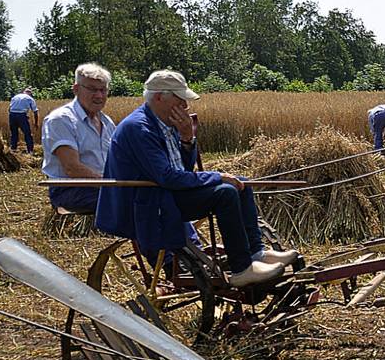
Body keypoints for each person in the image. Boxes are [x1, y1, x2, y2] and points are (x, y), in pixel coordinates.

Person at [96, 70, 298, 287]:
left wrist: (186, 138)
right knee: (226, 193)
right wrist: (217, 176)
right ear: (157, 97)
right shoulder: (139, 128)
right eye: (179, 98)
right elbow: (167, 177)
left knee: (241, 183)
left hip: (167, 193)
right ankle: (241, 270)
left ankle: (256, 253)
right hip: (150, 202)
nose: (185, 104)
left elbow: (181, 168)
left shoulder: (166, 123)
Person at [41, 63, 116, 213]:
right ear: (76, 89)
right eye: (92, 89)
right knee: (129, 201)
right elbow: (72, 169)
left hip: (102, 187)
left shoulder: (107, 123)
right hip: (70, 191)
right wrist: (111, 184)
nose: (99, 96)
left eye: (103, 90)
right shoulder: (61, 120)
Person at [8, 87, 39, 153]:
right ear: (30, 94)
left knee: (14, 133)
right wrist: (36, 123)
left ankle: (13, 150)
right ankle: (30, 151)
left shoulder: (15, 97)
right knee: (27, 133)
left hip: (12, 115)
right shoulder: (30, 99)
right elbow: (35, 112)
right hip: (21, 116)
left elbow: (9, 109)